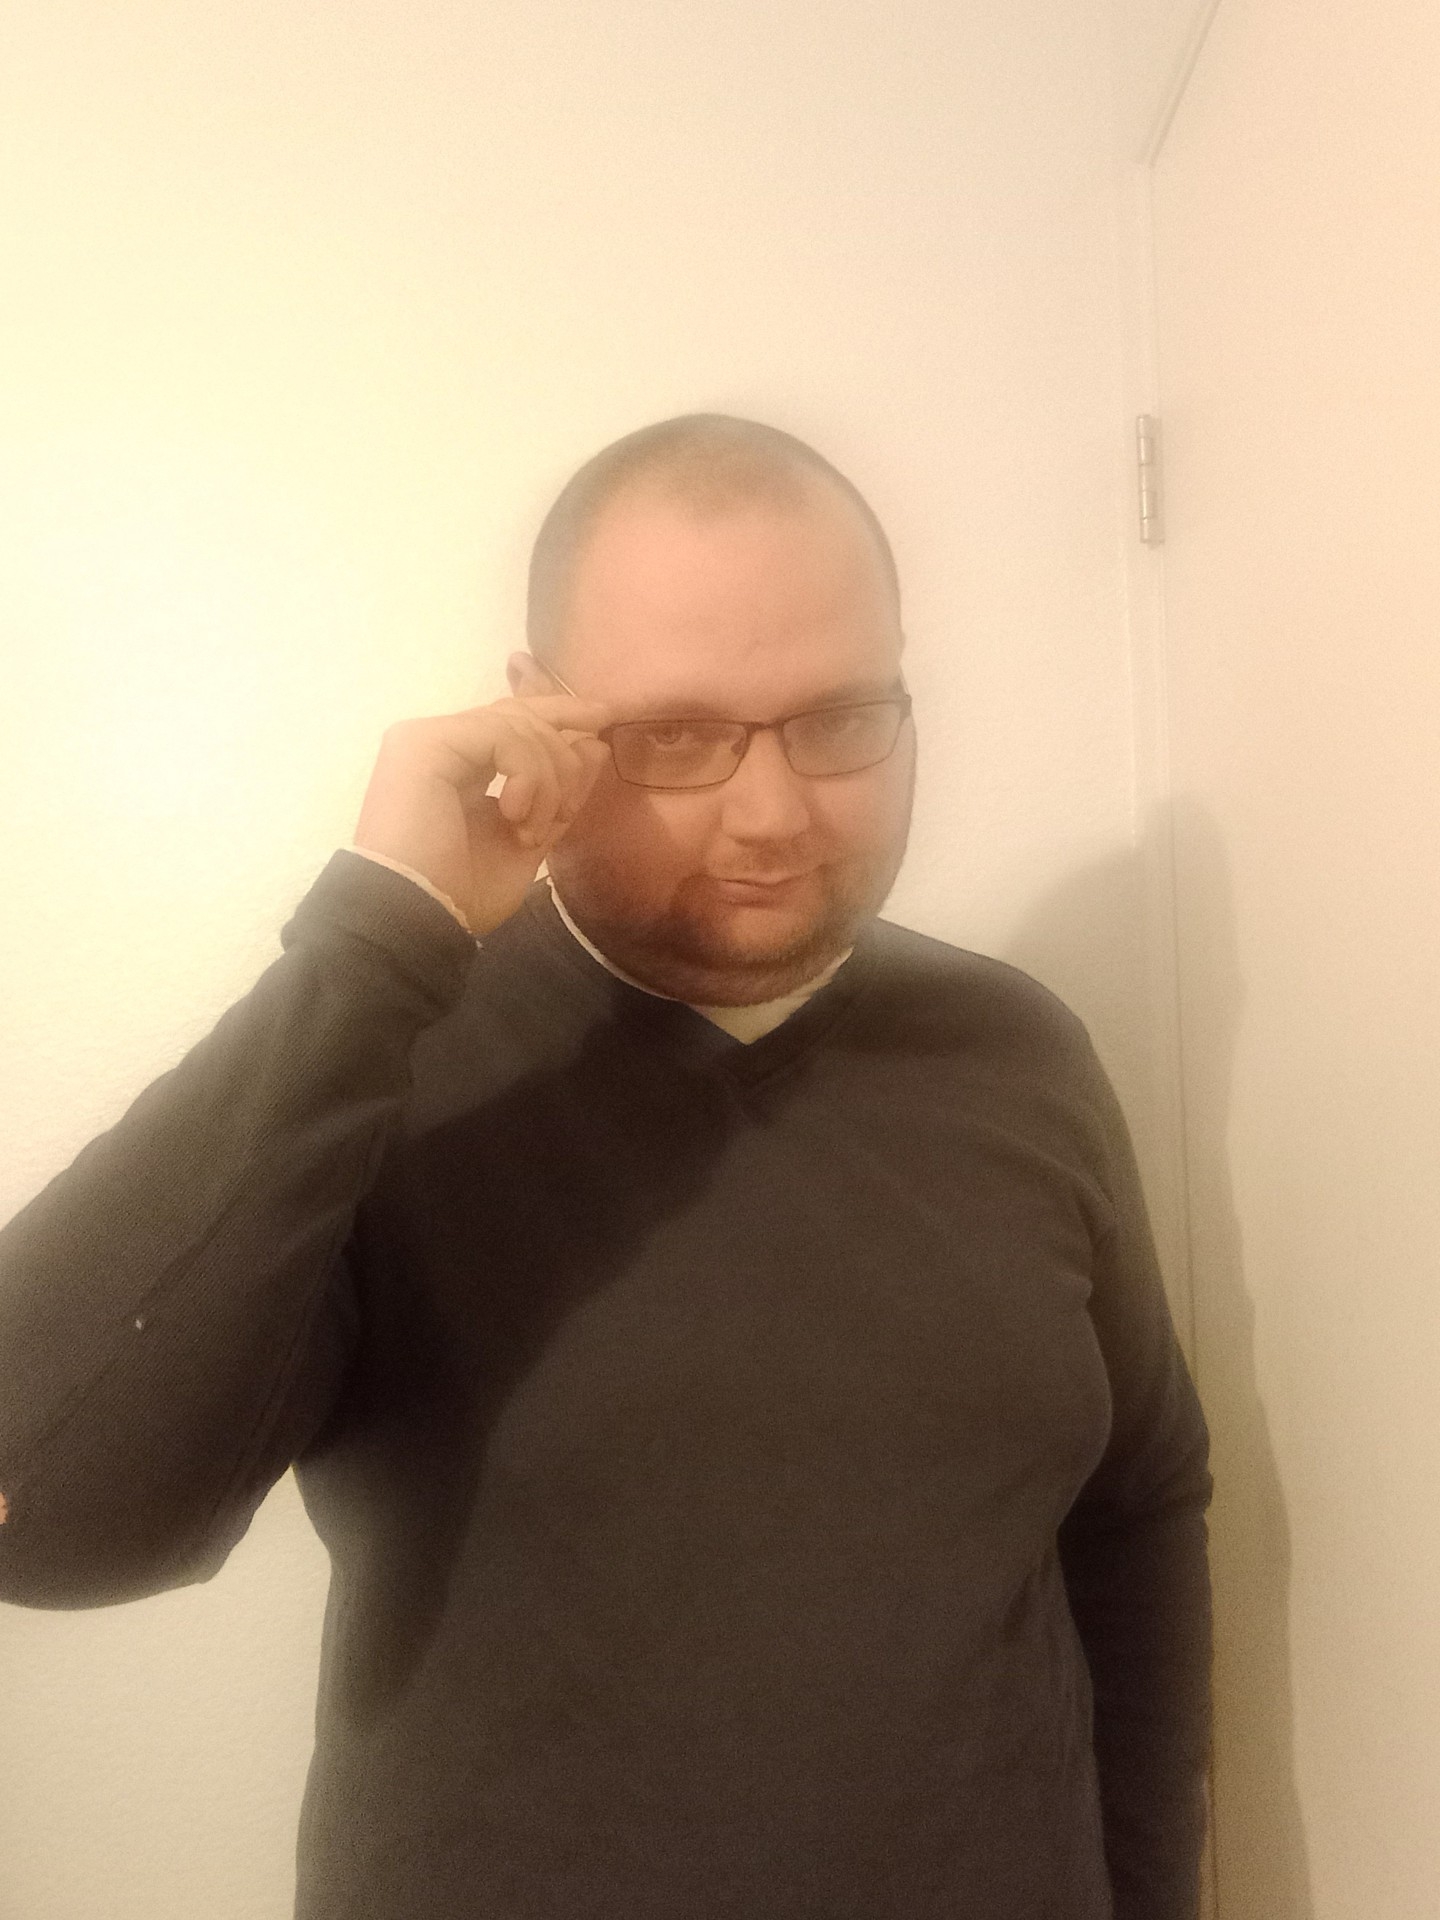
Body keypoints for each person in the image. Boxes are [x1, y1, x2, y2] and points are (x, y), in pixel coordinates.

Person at [0, 413, 1213, 1920]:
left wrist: (1145, 1889)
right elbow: (45, 1515)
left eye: (841, 718)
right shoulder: (386, 1068)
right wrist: (375, 940)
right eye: (678, 737)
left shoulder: (1018, 1048)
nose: (773, 815)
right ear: (540, 716)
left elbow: (1139, 1496)